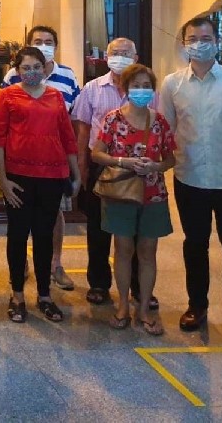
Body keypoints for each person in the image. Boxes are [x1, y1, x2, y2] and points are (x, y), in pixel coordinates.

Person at [0, 48, 80, 323]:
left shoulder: (55, 96)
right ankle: (17, 294)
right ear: (17, 70)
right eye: (25, 67)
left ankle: (44, 295)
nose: (31, 72)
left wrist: (76, 175)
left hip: (52, 177)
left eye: (36, 67)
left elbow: (67, 137)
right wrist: (3, 180)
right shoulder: (8, 96)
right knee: (17, 236)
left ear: (45, 68)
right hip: (19, 177)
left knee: (43, 237)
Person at [90, 64, 176, 335]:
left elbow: (170, 158)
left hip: (153, 194)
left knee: (148, 252)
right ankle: (123, 306)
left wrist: (156, 167)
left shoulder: (159, 121)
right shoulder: (113, 119)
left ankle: (144, 309)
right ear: (126, 89)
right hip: (121, 193)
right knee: (123, 250)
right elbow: (96, 154)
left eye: (146, 86)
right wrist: (122, 161)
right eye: (136, 86)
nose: (141, 91)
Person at [71, 37, 156, 310]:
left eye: (125, 53)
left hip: (141, 169)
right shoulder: (92, 89)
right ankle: (99, 283)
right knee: (99, 227)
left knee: (135, 229)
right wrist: (83, 167)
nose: (120, 57)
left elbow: (160, 127)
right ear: (106, 57)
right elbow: (83, 131)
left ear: (136, 56)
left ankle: (138, 285)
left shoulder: (148, 90)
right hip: (101, 165)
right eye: (115, 53)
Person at [160, 16, 222, 334]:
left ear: (217, 41)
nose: (200, 43)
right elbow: (166, 129)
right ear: (184, 43)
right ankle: (197, 306)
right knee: (195, 244)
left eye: (206, 37)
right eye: (193, 38)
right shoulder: (172, 84)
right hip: (189, 178)